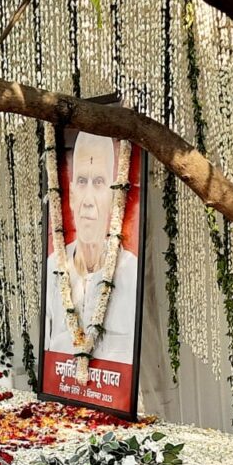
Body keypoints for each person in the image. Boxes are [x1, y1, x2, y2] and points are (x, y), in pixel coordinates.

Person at [45, 131, 138, 364]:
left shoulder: (130, 271)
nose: (88, 200)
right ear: (71, 195)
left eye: (98, 182)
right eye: (82, 181)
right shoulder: (53, 266)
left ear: (112, 195)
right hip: (61, 384)